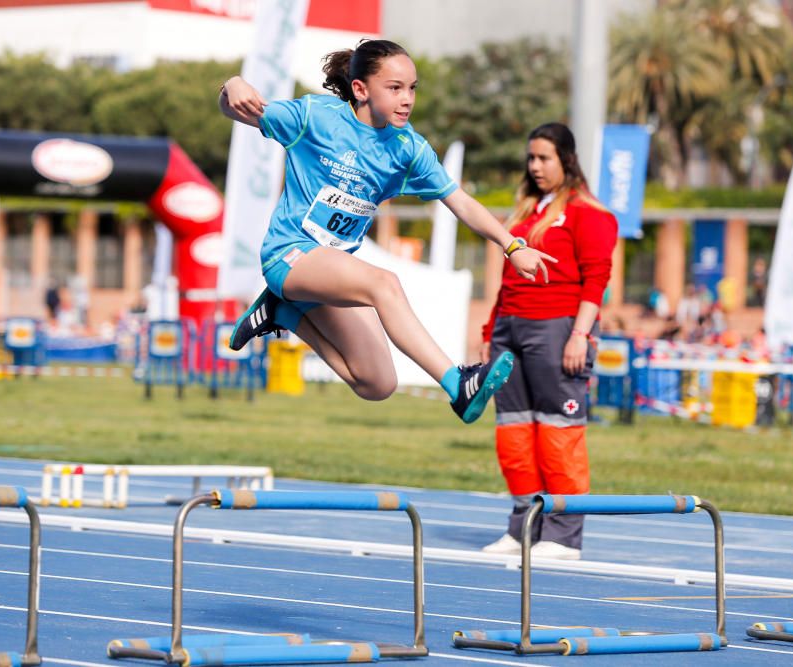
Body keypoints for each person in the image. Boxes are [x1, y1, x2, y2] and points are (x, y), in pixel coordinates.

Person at [220, 40, 554, 423]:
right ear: (360, 89)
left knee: (376, 384)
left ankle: (282, 313)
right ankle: (457, 384)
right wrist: (232, 84)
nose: (407, 99)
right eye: (394, 88)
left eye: (412, 88)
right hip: (288, 254)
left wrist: (512, 246)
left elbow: (460, 202)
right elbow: (233, 107)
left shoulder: (408, 149)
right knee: (386, 284)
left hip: (331, 270)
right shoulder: (315, 117)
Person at [478, 123, 617, 560]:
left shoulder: (587, 212)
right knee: (514, 433)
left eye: (544, 158)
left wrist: (580, 334)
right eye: (531, 158)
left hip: (557, 328)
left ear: (566, 161)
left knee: (558, 433)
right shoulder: (526, 211)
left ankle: (561, 535)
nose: (535, 166)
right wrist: (489, 333)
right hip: (510, 328)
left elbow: (597, 281)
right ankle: (523, 528)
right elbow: (507, 280)